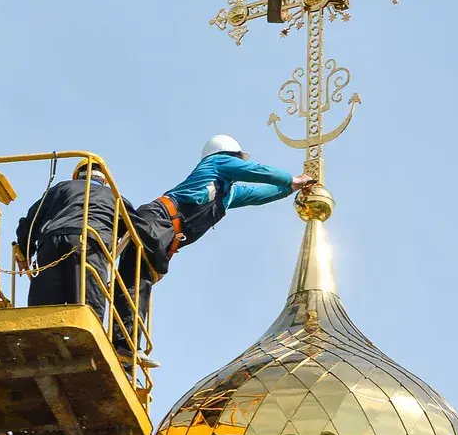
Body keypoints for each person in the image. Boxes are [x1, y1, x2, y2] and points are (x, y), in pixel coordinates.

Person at [114, 134, 316, 356]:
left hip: (164, 233)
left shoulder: (227, 193)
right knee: (133, 280)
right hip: (157, 221)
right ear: (230, 156)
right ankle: (124, 344)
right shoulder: (216, 163)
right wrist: (292, 179)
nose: (240, 164)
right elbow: (258, 171)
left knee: (138, 282)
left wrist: (291, 188)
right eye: (238, 159)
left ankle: (126, 347)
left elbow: (258, 194)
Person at [14, 159, 132, 322]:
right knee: (86, 314)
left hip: (51, 243)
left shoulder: (61, 188)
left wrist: (25, 252)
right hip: (89, 246)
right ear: (105, 180)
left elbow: (31, 221)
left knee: (41, 316)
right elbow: (136, 234)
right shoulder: (116, 198)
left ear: (76, 176)